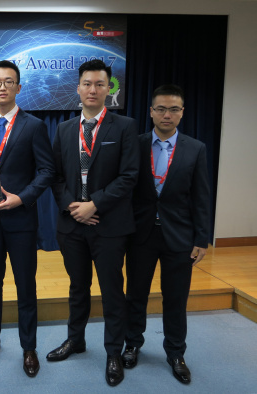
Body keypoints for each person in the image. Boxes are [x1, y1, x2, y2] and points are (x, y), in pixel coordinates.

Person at [47, 59, 139, 387]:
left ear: (109, 89)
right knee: (77, 287)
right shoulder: (63, 129)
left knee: (112, 291)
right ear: (78, 87)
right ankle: (76, 340)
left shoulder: (125, 127)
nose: (93, 89)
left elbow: (129, 176)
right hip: (72, 225)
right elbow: (56, 176)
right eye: (87, 83)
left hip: (110, 225)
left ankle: (114, 351)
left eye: (100, 84)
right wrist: (73, 207)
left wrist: (94, 203)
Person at [0, 60, 55, 378]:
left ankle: (28, 347)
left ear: (19, 87)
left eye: (8, 81)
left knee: (25, 286)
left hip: (21, 221)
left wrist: (22, 198)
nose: (2, 87)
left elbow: (47, 170)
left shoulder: (34, 126)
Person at [122, 84, 210, 384]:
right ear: (151, 112)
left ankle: (175, 352)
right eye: (161, 108)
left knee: (175, 299)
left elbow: (201, 197)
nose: (167, 114)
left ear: (182, 113)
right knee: (136, 294)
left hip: (179, 237)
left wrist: (202, 239)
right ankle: (132, 343)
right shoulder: (135, 143)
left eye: (174, 109)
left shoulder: (195, 148)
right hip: (140, 234)